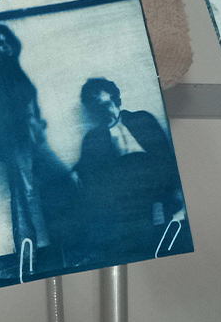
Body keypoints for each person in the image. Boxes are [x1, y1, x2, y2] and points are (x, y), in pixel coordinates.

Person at [71, 77, 182, 253]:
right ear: (93, 110)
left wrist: (174, 187)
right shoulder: (94, 137)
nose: (106, 110)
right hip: (126, 193)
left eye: (107, 103)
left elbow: (166, 155)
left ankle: (159, 209)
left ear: (115, 98)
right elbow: (88, 168)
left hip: (154, 180)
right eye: (98, 106)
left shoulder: (142, 119)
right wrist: (75, 171)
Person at [0, 24, 50, 261]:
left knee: (29, 192)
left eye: (6, 41)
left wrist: (36, 126)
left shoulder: (14, 70)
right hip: (17, 142)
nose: (5, 47)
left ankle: (30, 252)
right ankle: (27, 255)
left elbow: (28, 104)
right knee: (25, 194)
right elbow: (4, 114)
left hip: (30, 140)